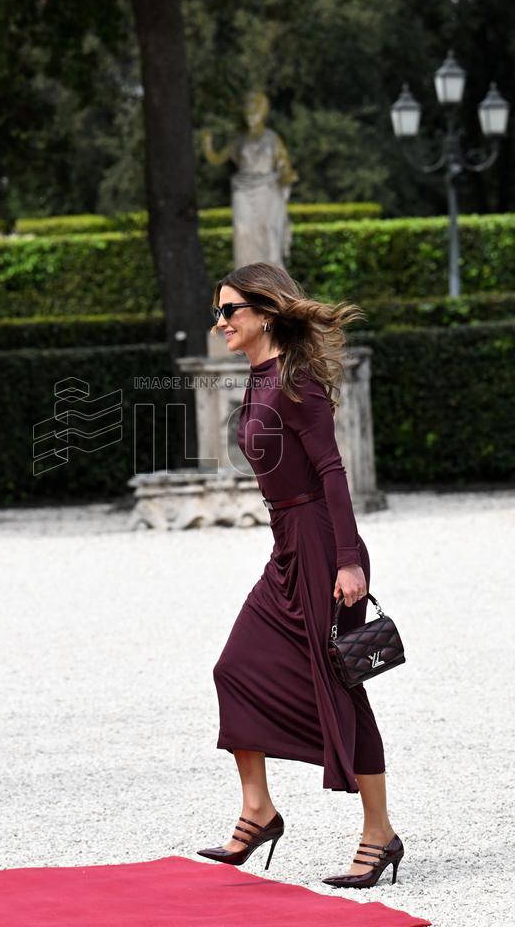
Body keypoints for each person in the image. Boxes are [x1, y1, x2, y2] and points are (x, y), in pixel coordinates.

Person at [195, 262, 404, 888]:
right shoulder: (259, 378)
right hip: (286, 543)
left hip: (319, 544)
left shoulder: (295, 382)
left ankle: (379, 834)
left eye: (230, 310)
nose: (221, 321)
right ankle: (259, 810)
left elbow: (332, 472)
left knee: (341, 682)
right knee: (234, 668)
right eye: (219, 311)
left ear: (264, 312)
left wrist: (347, 560)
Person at [201, 91, 297, 270]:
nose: (250, 117)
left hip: (267, 189)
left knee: (268, 232)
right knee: (243, 232)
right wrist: (207, 144)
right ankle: (246, 276)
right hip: (243, 189)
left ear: (262, 113)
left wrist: (286, 174)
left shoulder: (271, 138)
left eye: (254, 113)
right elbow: (217, 158)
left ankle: (271, 277)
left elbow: (284, 164)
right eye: (247, 113)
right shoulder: (240, 139)